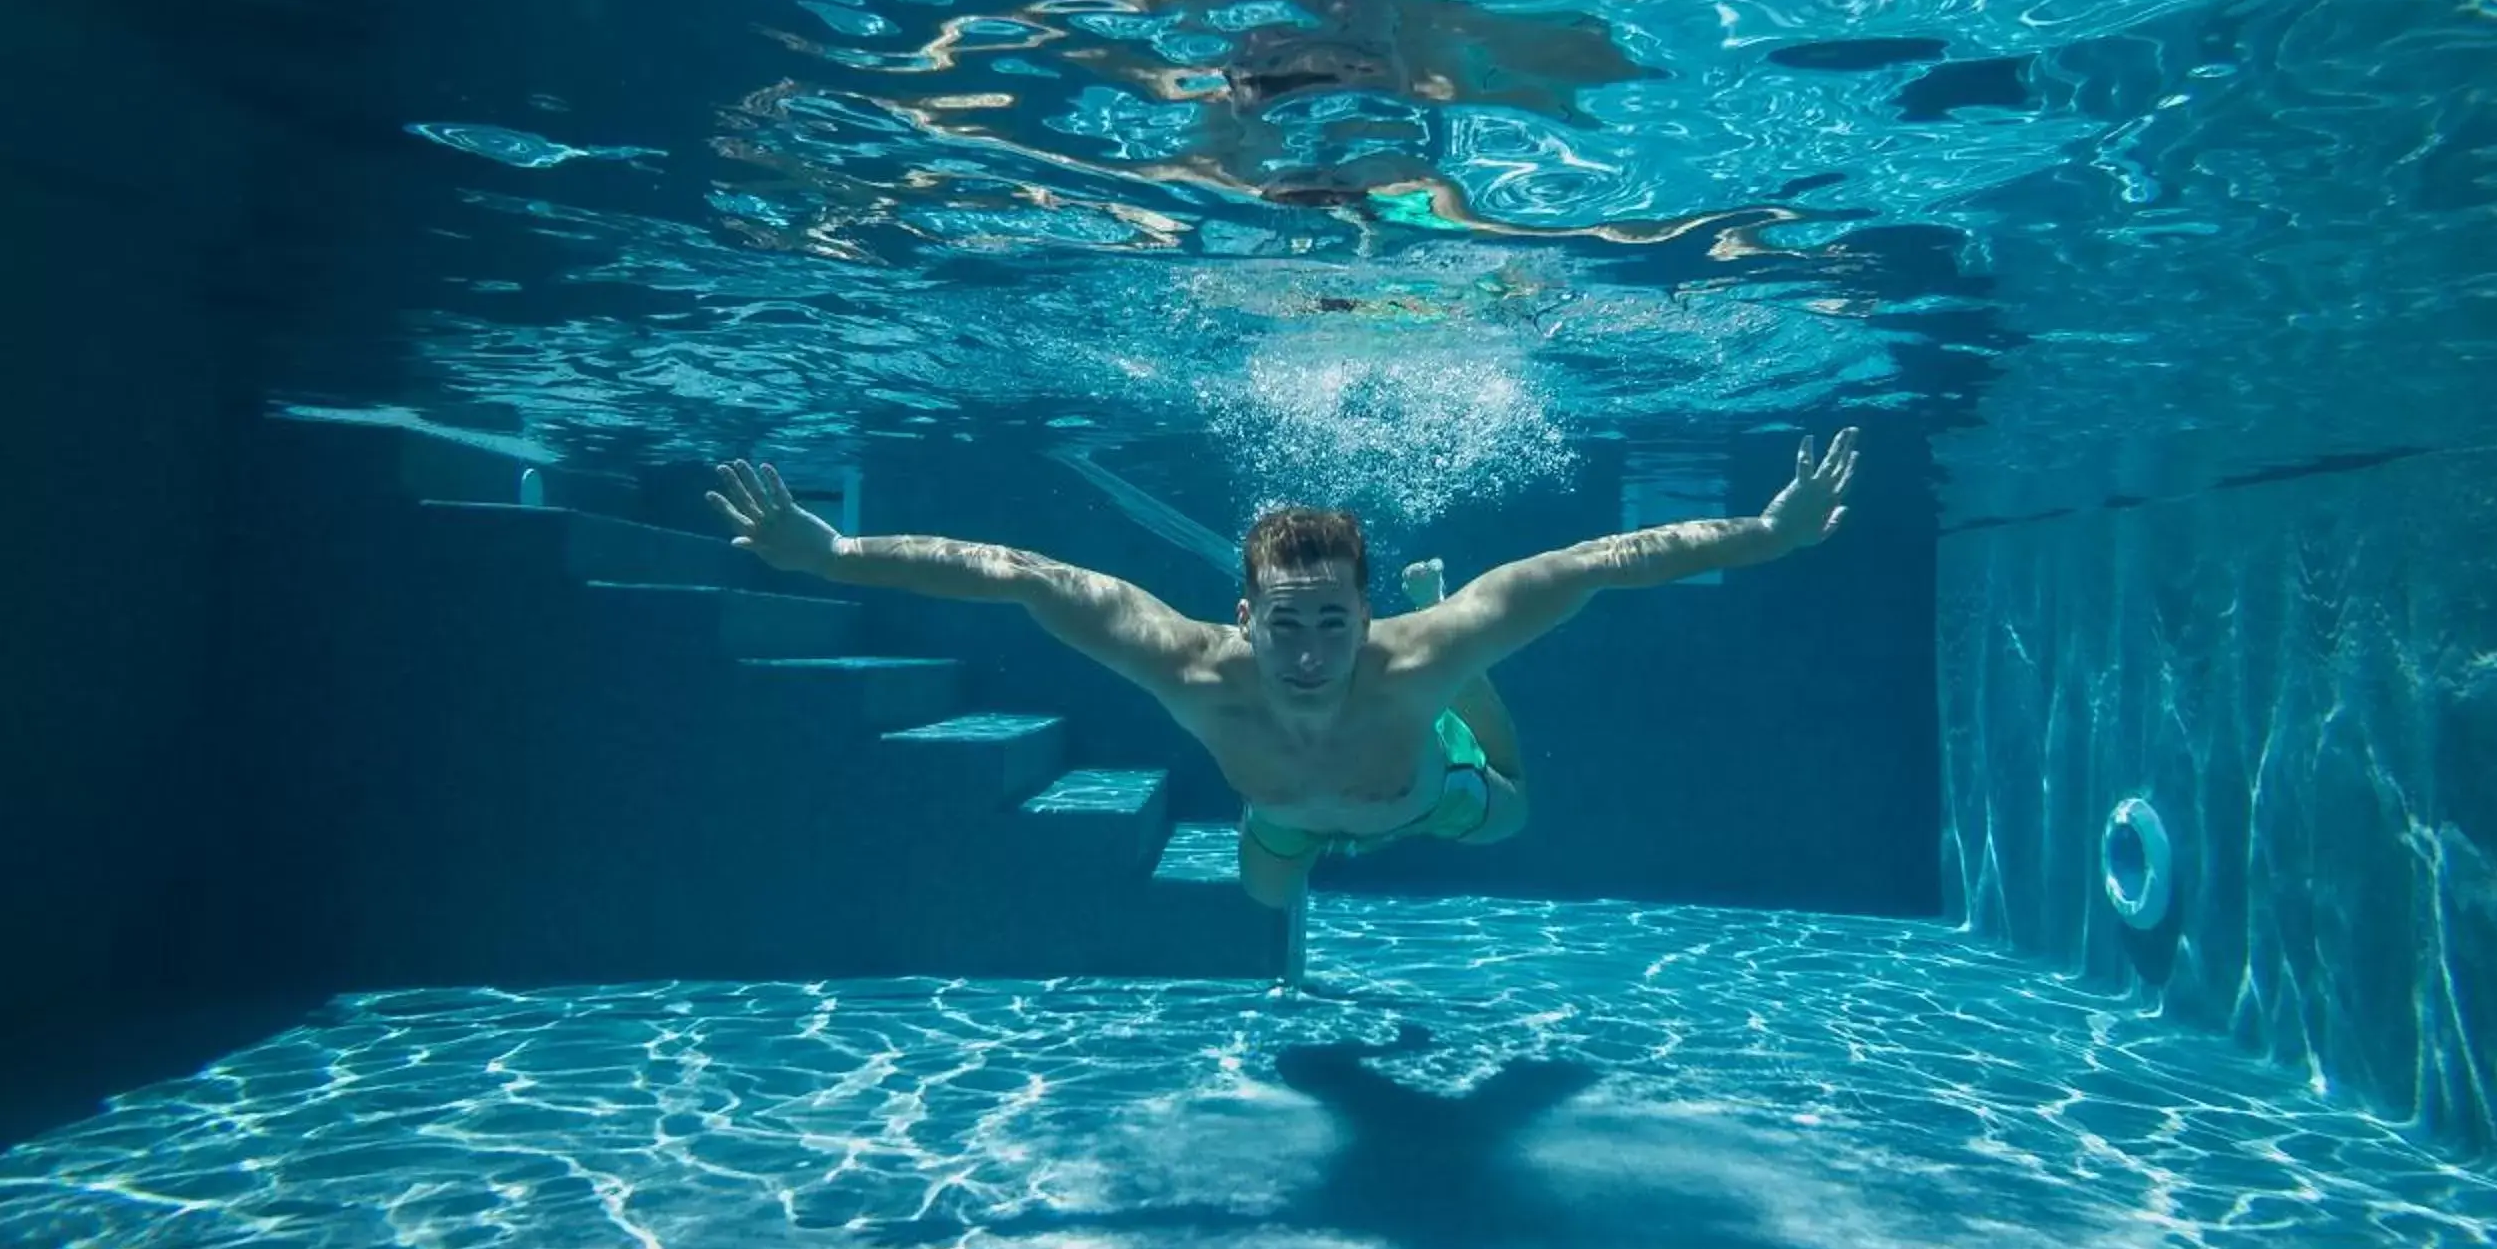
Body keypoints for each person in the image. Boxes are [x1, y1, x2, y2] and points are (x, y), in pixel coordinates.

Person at [707, 428, 1861, 963]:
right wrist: (836, 556)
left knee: (1514, 807)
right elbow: (1017, 574)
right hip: (1284, 814)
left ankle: (1479, 711)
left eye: (1334, 621)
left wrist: (1766, 533)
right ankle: (1318, 835)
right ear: (1244, 615)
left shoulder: (1416, 653)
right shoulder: (1183, 660)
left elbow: (1595, 563)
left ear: (1369, 619)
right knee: (1264, 899)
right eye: (1287, 621)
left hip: (1430, 791)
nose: (1309, 649)